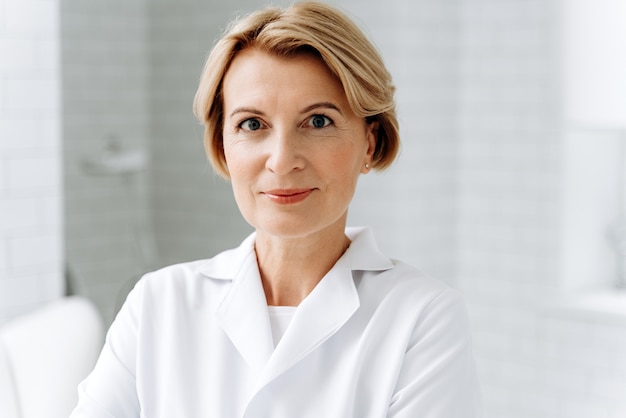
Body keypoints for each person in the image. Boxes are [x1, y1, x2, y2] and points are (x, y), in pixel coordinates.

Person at [71, 2, 482, 417]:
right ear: (222, 147)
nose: (282, 160)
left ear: (369, 144)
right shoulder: (157, 304)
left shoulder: (423, 318)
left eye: (318, 121)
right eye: (252, 124)